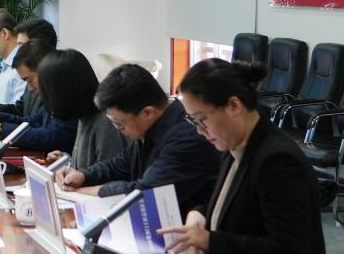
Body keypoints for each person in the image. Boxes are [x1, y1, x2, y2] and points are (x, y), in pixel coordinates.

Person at [158, 59, 334, 254]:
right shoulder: (236, 146)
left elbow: (287, 252)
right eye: (193, 122)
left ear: (233, 106)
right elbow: (239, 207)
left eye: (201, 119)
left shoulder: (277, 160)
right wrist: (200, 214)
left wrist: (211, 241)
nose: (199, 131)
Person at [55, 63, 220, 217]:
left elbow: (144, 193)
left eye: (119, 124)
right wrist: (83, 175)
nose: (117, 129)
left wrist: (82, 191)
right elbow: (122, 164)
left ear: (148, 113)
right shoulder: (151, 127)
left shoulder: (186, 139)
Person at [0, 41, 76, 152]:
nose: (30, 88)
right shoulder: (53, 97)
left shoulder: (69, 99)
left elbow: (49, 137)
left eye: (29, 80)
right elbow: (33, 121)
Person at [39, 49, 129, 170]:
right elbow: (89, 167)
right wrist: (67, 161)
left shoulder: (106, 123)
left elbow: (109, 176)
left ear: (65, 91)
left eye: (49, 92)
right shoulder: (83, 113)